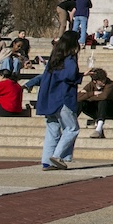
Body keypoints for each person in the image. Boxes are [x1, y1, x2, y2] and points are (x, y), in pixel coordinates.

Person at [37, 32, 82, 169]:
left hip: (50, 98)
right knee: (72, 128)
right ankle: (57, 156)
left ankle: (47, 160)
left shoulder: (54, 59)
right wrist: (80, 75)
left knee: (53, 129)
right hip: (63, 98)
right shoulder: (69, 59)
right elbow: (69, 75)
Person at [77, 67, 113, 137]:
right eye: (101, 80)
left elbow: (104, 96)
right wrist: (92, 93)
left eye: (104, 79)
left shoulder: (110, 84)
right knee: (81, 102)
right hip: (96, 110)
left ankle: (98, 129)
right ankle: (71, 122)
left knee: (103, 102)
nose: (104, 81)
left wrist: (87, 96)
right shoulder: (91, 85)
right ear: (95, 81)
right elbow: (78, 97)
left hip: (109, 110)